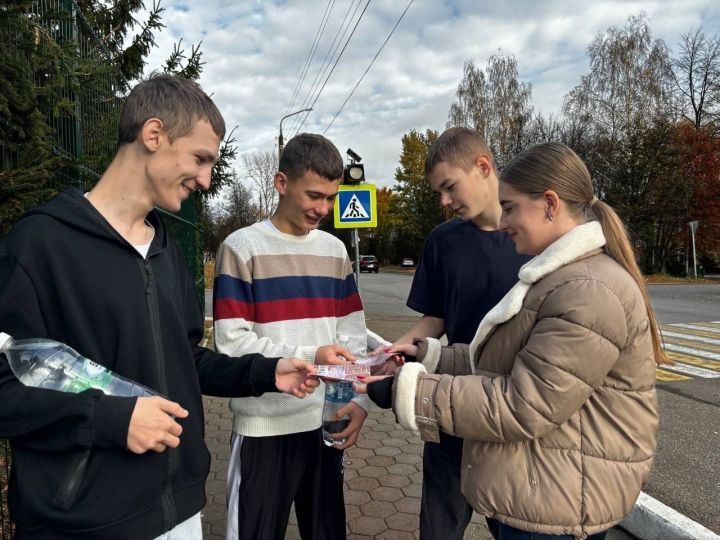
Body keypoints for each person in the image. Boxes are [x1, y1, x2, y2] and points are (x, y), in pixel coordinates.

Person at [0, 74, 318, 540]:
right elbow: (7, 390)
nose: (207, 180)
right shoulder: (38, 246)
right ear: (153, 135)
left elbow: (186, 361)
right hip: (83, 523)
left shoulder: (166, 250)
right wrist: (110, 421)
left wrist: (268, 373)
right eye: (200, 159)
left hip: (179, 512)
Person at [358, 142, 663, 539]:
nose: (503, 223)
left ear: (550, 204)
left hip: (559, 497)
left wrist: (407, 388)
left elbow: (524, 404)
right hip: (544, 476)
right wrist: (426, 355)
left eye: (512, 208)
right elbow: (506, 360)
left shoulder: (587, 289)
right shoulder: (558, 277)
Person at [213, 132, 371, 540]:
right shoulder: (241, 247)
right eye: (314, 195)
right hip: (262, 428)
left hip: (324, 425)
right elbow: (231, 343)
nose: (324, 208)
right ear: (281, 183)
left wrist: (356, 399)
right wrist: (312, 355)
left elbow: (352, 336)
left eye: (332, 198)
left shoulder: (336, 252)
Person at [387, 127, 529, 539]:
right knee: (438, 529)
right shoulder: (442, 241)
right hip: (451, 405)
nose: (445, 202)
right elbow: (438, 315)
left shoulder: (533, 236)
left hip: (511, 411)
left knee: (513, 527)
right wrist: (405, 344)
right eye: (438, 193)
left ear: (483, 166)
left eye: (449, 187)